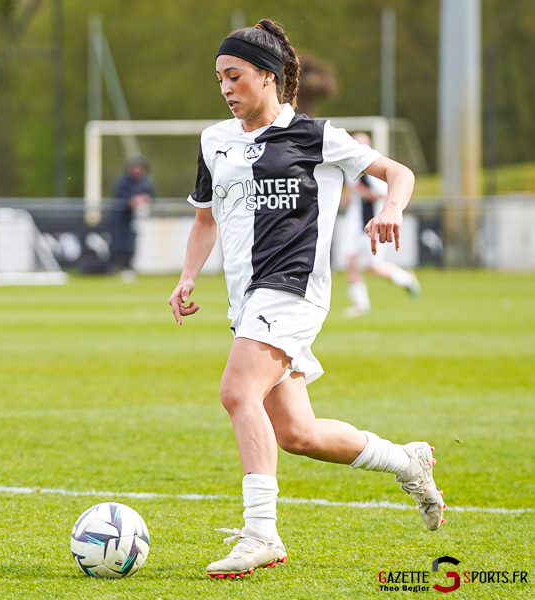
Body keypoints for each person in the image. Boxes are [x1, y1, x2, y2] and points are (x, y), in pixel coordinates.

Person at [167, 20, 445, 579]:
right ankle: (407, 460)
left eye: (235, 76)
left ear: (267, 77)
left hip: (293, 288)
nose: (225, 88)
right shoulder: (214, 140)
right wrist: (187, 276)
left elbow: (399, 172)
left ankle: (260, 534)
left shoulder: (317, 135)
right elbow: (204, 219)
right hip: (246, 299)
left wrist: (390, 208)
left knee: (236, 391)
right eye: (219, 78)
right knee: (298, 434)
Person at [341, 132, 421, 317]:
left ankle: (407, 279)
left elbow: (384, 194)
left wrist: (362, 192)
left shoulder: (377, 171)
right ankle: (361, 305)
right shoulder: (349, 169)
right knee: (350, 263)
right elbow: (354, 195)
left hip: (371, 224)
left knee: (374, 267)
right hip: (353, 224)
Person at [110, 155, 154, 280]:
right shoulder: (122, 181)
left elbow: (152, 197)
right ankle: (117, 266)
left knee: (133, 243)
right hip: (121, 219)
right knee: (119, 242)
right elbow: (118, 197)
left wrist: (145, 200)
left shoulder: (146, 182)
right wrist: (130, 201)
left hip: (139, 219)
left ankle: (130, 267)